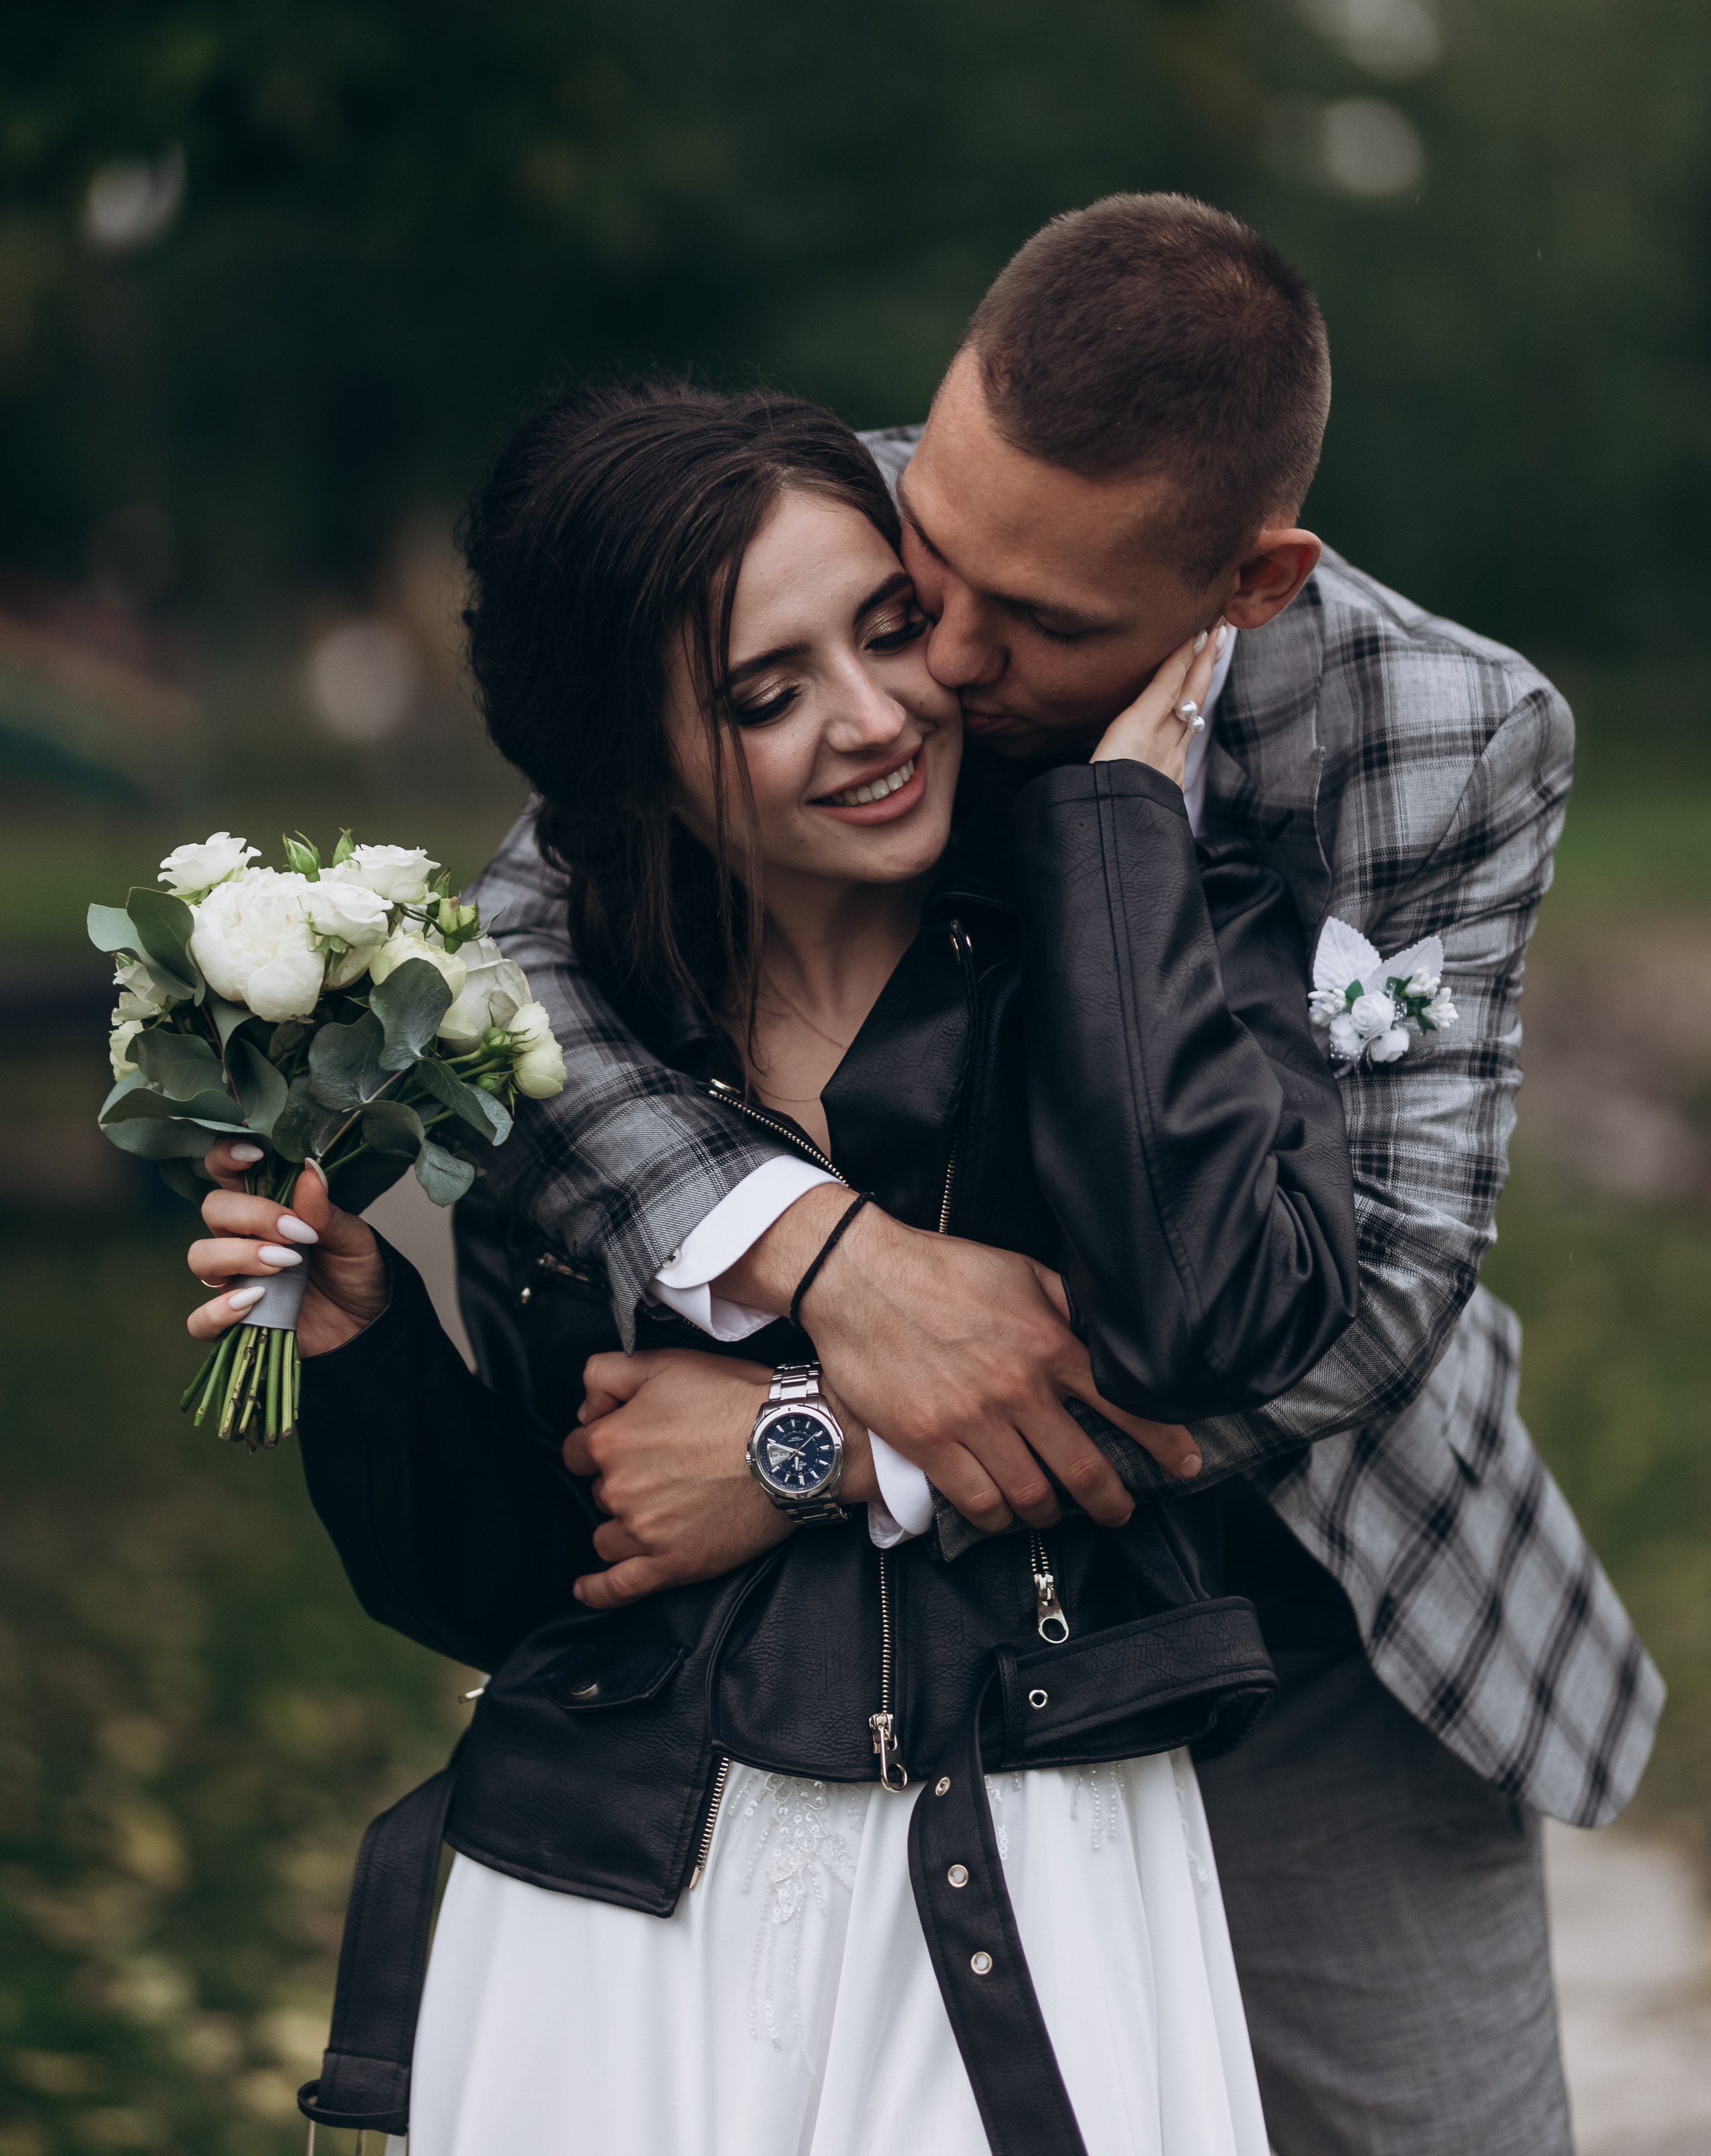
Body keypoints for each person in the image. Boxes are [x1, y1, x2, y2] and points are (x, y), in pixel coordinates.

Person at [459, 195, 1663, 2156]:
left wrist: (827, 1434)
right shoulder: (806, 538)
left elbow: (1371, 1296)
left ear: (1251, 582)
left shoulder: (1438, 733)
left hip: (1307, 1600)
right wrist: (830, 1264)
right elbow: (513, 961)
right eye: (935, 545)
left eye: (1040, 628)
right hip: (889, 1661)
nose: (932, 656)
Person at [186, 384, 1365, 2154]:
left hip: (1030, 1865)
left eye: (889, 631)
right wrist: (365, 1340)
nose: (878, 717)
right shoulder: (561, 1075)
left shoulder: (1133, 950)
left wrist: (786, 1450)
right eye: (766, 692)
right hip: (615, 1908)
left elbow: (1209, 1338)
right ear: (635, 748)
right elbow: (519, 1577)